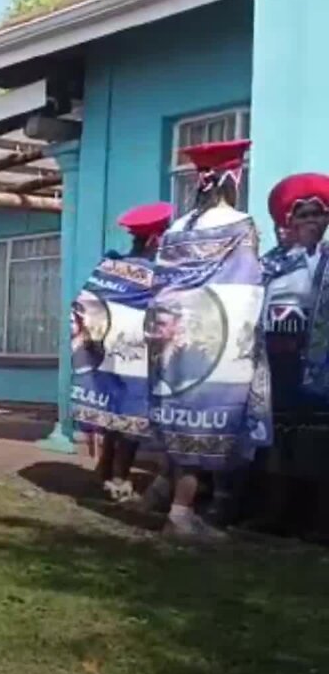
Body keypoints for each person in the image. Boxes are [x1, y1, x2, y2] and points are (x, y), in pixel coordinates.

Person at [147, 139, 269, 541]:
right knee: (206, 425)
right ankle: (180, 516)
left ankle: (168, 497)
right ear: (234, 179)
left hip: (171, 341)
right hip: (212, 340)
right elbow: (247, 284)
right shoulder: (240, 224)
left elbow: (162, 284)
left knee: (179, 416)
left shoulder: (175, 230)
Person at [77, 202, 172, 502]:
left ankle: (103, 469)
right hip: (137, 355)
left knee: (111, 413)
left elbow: (85, 303)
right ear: (156, 240)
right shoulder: (156, 274)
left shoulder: (109, 267)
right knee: (132, 416)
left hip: (104, 351)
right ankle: (119, 479)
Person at [252, 173, 329, 539]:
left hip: (323, 365)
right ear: (290, 222)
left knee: (319, 440)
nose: (312, 221)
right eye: (304, 215)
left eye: (319, 214)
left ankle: (319, 521)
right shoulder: (273, 265)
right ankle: (276, 514)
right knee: (279, 438)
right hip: (279, 362)